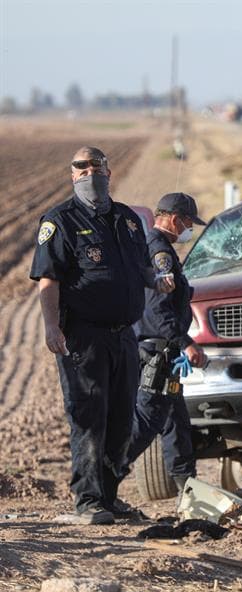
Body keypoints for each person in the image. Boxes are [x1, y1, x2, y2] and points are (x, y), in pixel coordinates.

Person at [30, 146, 173, 525]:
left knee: (122, 417)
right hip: (83, 337)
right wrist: (51, 327)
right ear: (72, 174)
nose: (89, 173)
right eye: (81, 167)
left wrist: (157, 280)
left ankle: (109, 497)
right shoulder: (60, 220)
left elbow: (140, 268)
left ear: (108, 172)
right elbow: (48, 280)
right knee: (89, 416)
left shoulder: (127, 219)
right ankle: (88, 500)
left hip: (124, 335)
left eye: (96, 166)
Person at [124, 192, 207, 495]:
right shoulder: (159, 252)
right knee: (147, 421)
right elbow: (158, 309)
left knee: (176, 422)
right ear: (174, 219)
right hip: (157, 353)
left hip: (165, 355)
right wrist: (185, 343)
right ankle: (102, 478)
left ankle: (189, 489)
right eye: (188, 222)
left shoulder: (158, 248)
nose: (190, 229)